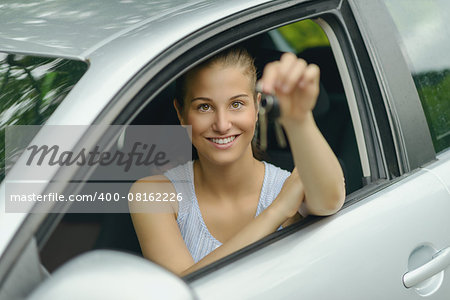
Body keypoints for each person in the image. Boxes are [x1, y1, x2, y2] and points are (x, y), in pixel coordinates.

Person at [129, 47, 345, 276]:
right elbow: (182, 291)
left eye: (236, 104)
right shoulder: (152, 193)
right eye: (204, 107)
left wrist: (297, 117)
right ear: (181, 114)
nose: (222, 125)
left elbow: (330, 201)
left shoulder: (291, 184)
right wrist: (278, 210)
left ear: (256, 106)